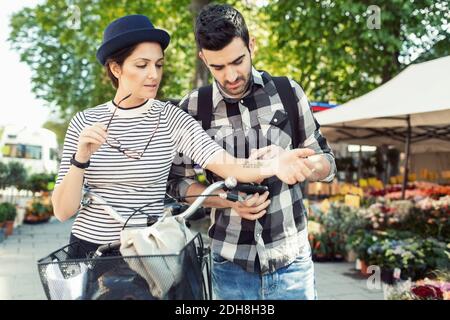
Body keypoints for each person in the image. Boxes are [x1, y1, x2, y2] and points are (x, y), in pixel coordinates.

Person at [51, 14, 313, 259]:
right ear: (116, 68)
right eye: (142, 65)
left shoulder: (172, 118)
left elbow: (229, 164)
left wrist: (273, 165)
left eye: (158, 64)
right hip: (87, 252)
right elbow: (63, 211)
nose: (154, 74)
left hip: (147, 253)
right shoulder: (85, 122)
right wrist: (80, 157)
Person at [167, 4, 337, 300]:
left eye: (238, 61)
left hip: (292, 264)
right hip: (229, 266)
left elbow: (327, 163)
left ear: (252, 45)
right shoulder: (194, 108)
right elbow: (177, 185)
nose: (230, 75)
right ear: (203, 59)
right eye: (217, 67)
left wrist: (300, 163)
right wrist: (227, 201)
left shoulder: (288, 92)